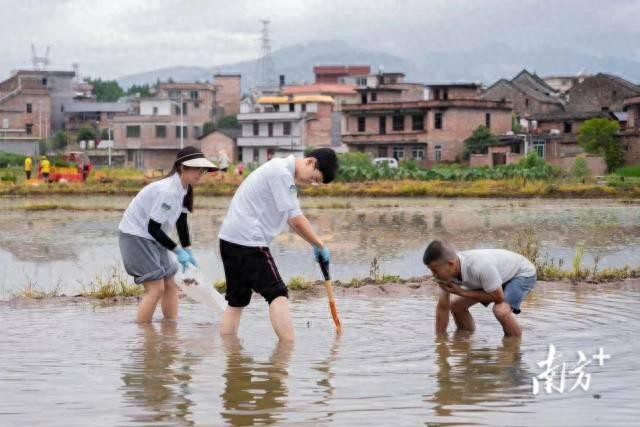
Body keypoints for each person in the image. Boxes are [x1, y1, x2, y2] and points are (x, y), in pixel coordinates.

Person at [218, 148, 339, 341]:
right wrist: (319, 245)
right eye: (315, 178)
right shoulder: (281, 173)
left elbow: (294, 216)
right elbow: (296, 220)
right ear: (309, 162)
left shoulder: (283, 175)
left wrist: (316, 244)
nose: (313, 183)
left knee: (237, 300)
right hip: (248, 240)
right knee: (277, 292)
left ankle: (231, 358)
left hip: (230, 239)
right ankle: (286, 355)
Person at [118, 146, 217, 322]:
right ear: (181, 167)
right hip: (136, 236)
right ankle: (143, 335)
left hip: (153, 237)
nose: (200, 173)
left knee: (170, 284)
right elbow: (153, 228)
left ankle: (170, 329)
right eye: (196, 169)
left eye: (202, 170)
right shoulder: (167, 191)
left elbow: (181, 221)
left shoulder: (184, 188)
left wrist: (188, 249)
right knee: (156, 289)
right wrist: (178, 251)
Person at [423, 240, 536, 337]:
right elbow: (443, 307)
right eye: (430, 270)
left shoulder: (478, 266)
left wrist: (461, 292)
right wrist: (440, 341)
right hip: (495, 277)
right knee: (456, 306)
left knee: (500, 311)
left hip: (520, 274)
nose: (433, 275)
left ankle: (513, 348)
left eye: (434, 270)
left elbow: (498, 297)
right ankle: (466, 337)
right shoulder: (444, 273)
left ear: (451, 264)